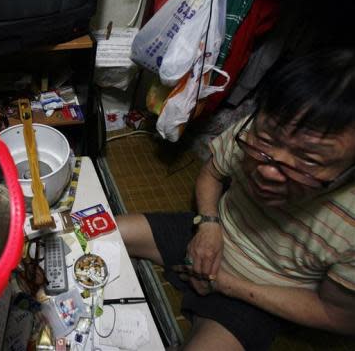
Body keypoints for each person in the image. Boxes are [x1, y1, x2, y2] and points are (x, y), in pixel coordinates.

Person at [117, 49, 355, 350]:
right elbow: (212, 173)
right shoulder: (252, 133)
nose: (267, 170)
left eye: (307, 160)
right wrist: (208, 223)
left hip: (261, 294)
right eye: (268, 141)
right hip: (206, 234)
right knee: (94, 233)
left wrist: (226, 284)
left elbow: (338, 316)